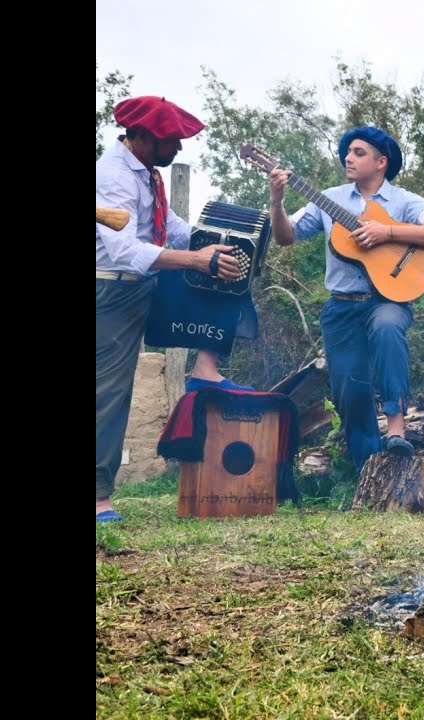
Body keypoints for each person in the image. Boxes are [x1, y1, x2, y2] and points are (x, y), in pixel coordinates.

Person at [268, 125, 424, 475]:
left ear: (381, 162)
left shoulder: (405, 202)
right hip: (341, 306)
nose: (348, 158)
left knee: (387, 329)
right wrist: (277, 201)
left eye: (359, 152)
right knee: (349, 389)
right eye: (348, 152)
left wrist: (388, 231)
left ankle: (397, 430)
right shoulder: (329, 199)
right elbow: (286, 236)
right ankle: (369, 470)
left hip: (387, 299)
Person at [97, 96, 243, 522]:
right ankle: (99, 498)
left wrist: (213, 241)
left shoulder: (147, 174)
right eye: (170, 139)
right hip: (112, 289)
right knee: (109, 392)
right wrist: (198, 259)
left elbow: (172, 228)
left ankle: (206, 366)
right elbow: (124, 251)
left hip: (147, 284)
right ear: (140, 136)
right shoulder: (112, 176)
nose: (178, 147)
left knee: (232, 276)